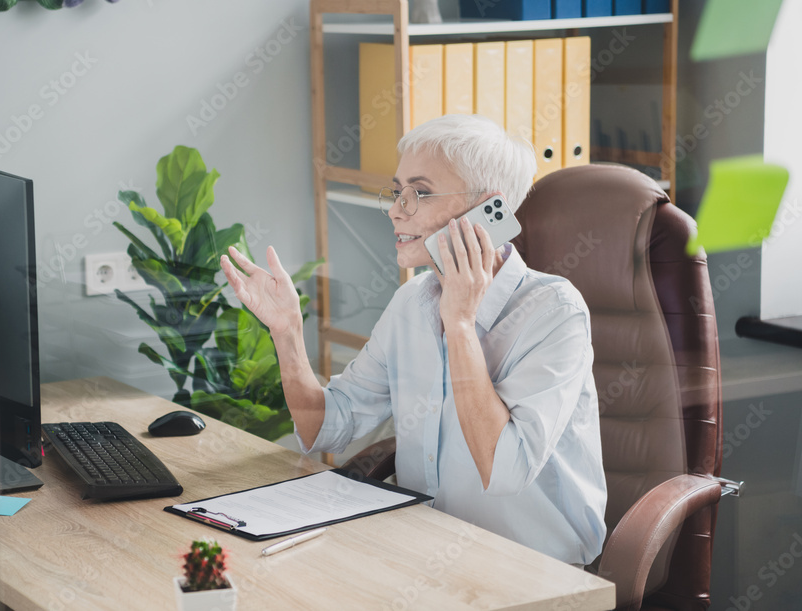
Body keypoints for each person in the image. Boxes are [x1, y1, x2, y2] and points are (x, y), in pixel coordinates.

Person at [220, 114, 607, 565]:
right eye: (398, 190)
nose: (395, 209)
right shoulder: (413, 302)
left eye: (419, 193)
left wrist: (460, 324)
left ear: (488, 210)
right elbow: (323, 425)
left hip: (531, 573)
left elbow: (504, 470)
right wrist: (286, 333)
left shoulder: (554, 312)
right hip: (421, 556)